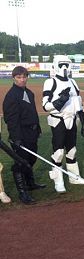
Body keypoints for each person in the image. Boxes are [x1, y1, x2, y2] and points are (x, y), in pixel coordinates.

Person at [42, 55, 84, 193]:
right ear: (56, 65)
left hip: (73, 119)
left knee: (72, 150)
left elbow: (78, 103)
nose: (64, 68)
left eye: (66, 64)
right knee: (58, 152)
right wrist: (60, 100)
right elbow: (45, 106)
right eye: (62, 64)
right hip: (58, 120)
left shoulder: (73, 82)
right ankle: (58, 181)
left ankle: (74, 177)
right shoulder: (50, 82)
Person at [3, 66, 45, 204]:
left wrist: (37, 128)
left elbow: (32, 112)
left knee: (31, 159)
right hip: (20, 135)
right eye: (19, 77)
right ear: (14, 78)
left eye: (24, 77)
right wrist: (16, 138)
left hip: (32, 133)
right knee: (21, 163)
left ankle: (30, 183)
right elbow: (11, 120)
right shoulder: (11, 96)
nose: (22, 80)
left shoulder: (30, 93)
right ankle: (23, 193)